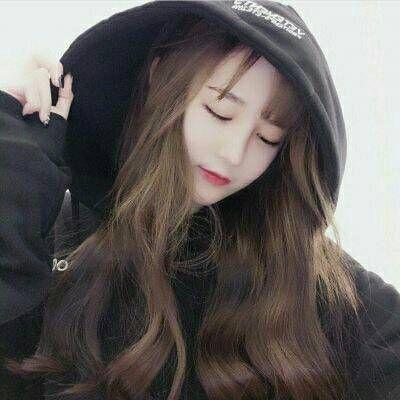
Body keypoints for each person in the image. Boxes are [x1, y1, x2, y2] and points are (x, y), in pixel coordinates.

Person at [1, 1, 399, 399]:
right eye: (220, 112)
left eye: (267, 137)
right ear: (159, 79)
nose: (234, 153)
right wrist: (13, 169)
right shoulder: (50, 235)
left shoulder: (303, 279)